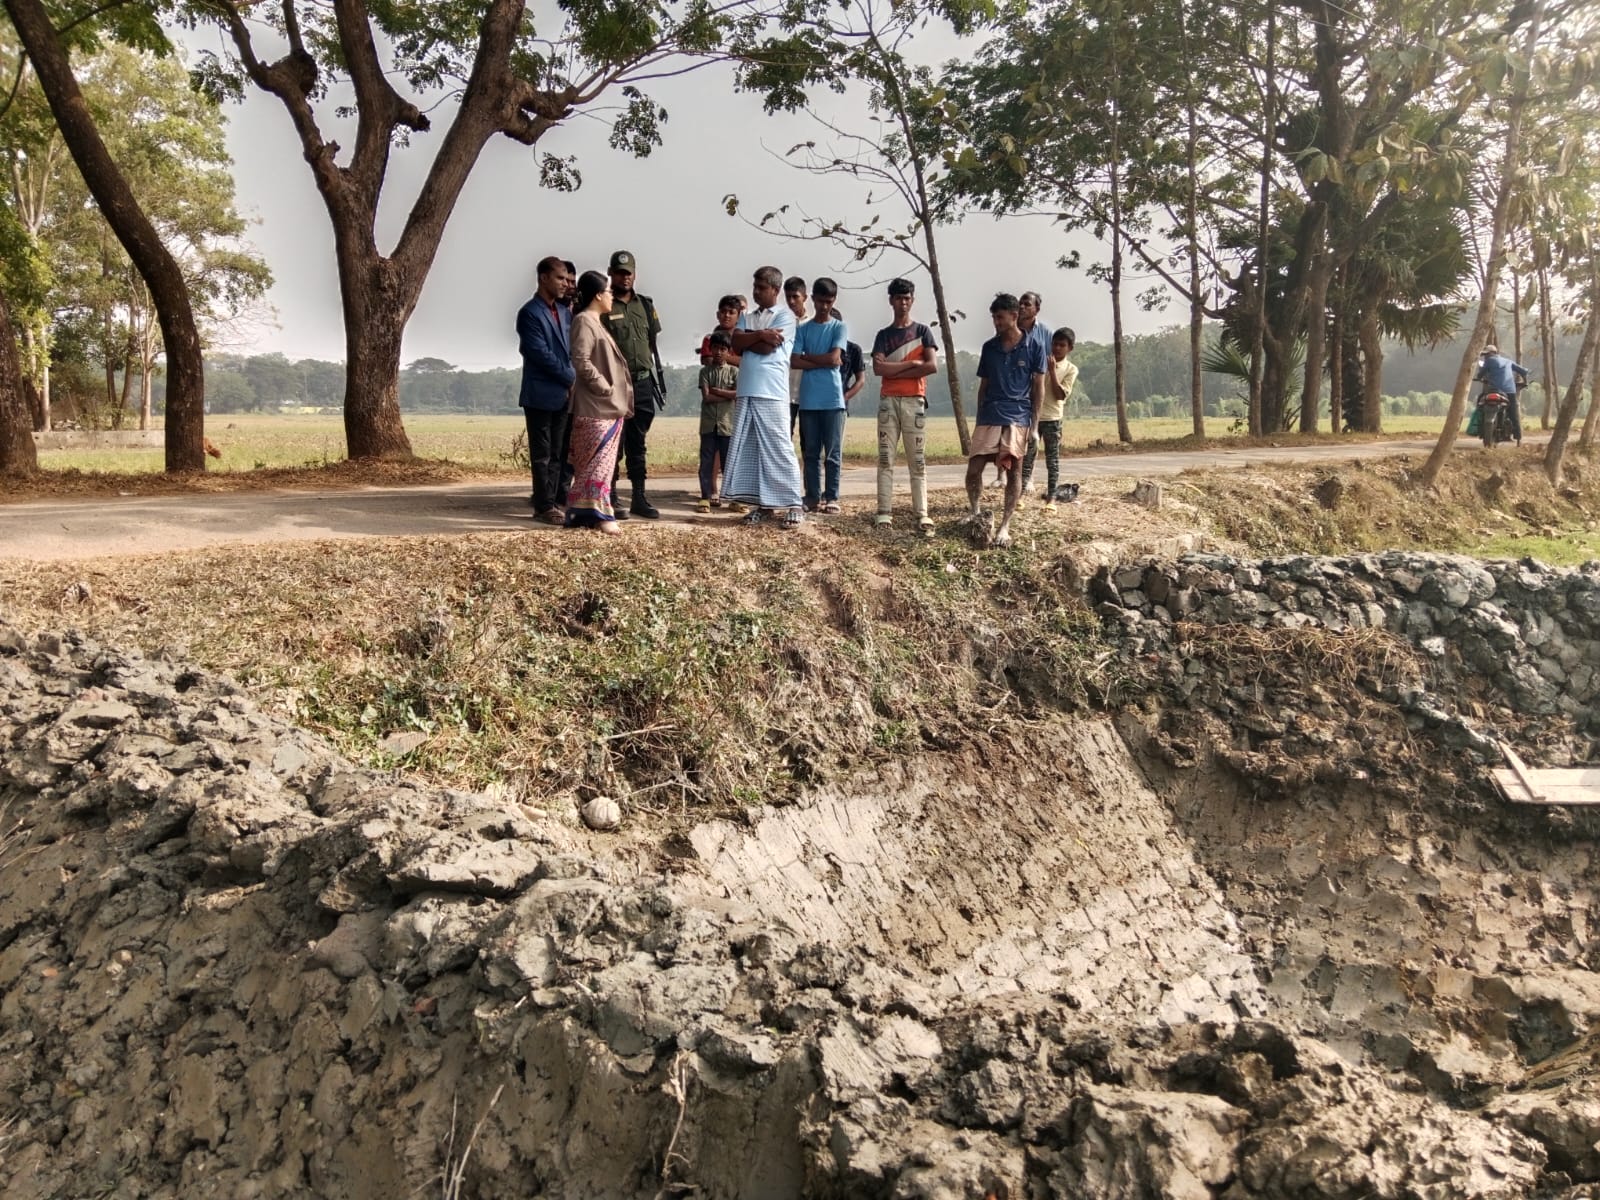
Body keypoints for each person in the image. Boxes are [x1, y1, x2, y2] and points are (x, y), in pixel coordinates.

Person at [724, 265, 805, 527]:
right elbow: (736, 341)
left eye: (761, 287)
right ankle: (765, 505)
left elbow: (770, 348)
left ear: (775, 290)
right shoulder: (749, 317)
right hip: (747, 389)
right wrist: (759, 335)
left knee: (780, 447)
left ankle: (794, 503)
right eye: (755, 287)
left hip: (771, 391)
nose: (756, 292)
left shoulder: (785, 316)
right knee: (756, 450)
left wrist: (753, 340)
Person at [965, 293, 1046, 549]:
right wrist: (979, 419)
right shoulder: (989, 347)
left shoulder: (1035, 347)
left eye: (1000, 317)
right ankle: (975, 510)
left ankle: (1005, 525)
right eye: (993, 318)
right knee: (974, 468)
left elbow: (1039, 389)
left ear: (1014, 316)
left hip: (1018, 416)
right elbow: (983, 385)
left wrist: (1033, 426)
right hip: (990, 413)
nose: (996, 322)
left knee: (1014, 472)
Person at [565, 270, 634, 535]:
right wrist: (603, 386)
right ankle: (600, 514)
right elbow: (581, 359)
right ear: (597, 295)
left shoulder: (596, 321)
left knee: (601, 465)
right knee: (596, 465)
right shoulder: (584, 321)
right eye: (609, 292)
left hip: (606, 407)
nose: (612, 297)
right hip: (596, 406)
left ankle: (588, 514)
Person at [872, 277, 940, 532]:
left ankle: (921, 513)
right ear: (891, 300)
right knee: (885, 458)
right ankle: (884, 512)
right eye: (898, 298)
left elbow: (932, 365)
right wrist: (911, 365)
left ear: (912, 300)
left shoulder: (922, 332)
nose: (903, 302)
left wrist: (895, 370)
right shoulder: (884, 335)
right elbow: (878, 368)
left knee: (917, 460)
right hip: (888, 401)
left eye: (907, 298)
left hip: (914, 401)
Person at [603, 250, 666, 519]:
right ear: (611, 273)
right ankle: (612, 497)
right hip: (616, 384)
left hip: (642, 383)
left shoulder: (646, 305)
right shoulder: (604, 305)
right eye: (619, 272)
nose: (624, 277)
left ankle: (639, 497)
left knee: (638, 444)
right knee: (614, 445)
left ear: (635, 274)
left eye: (628, 273)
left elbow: (652, 341)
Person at [515, 256, 574, 523]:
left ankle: (554, 501)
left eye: (567, 279)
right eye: (560, 278)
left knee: (558, 453)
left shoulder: (563, 312)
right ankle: (543, 506)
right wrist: (570, 376)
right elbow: (539, 353)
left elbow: (570, 349)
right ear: (543, 278)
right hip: (540, 393)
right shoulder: (529, 313)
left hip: (562, 394)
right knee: (542, 454)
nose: (565, 283)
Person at [792, 277, 848, 513]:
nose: (824, 306)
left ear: (833, 300)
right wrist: (823, 360)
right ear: (812, 298)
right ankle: (812, 496)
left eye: (829, 301)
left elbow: (835, 359)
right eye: (821, 301)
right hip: (808, 399)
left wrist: (810, 358)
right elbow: (794, 360)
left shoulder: (839, 327)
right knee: (811, 451)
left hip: (833, 399)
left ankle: (832, 496)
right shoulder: (803, 329)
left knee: (832, 453)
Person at [1023, 326, 1078, 512]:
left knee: (1052, 460)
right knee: (1028, 456)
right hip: (1034, 416)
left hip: (1053, 418)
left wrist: (1053, 372)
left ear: (1070, 348)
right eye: (1054, 344)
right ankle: (1021, 494)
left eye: (1062, 345)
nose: (1057, 348)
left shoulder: (1070, 369)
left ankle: (1052, 499)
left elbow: (1060, 395)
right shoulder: (1041, 359)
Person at [1015, 292, 1053, 496]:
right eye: (1020, 303)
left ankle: (1028, 477)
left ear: (1036, 309)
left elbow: (1048, 362)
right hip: (1013, 389)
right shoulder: (1011, 328)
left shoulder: (1045, 333)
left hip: (1035, 388)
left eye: (1027, 304)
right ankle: (1003, 476)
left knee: (1033, 433)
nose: (1022, 307)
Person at [697, 329, 738, 512]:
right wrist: (727, 394)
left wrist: (717, 391)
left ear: (729, 351)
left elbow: (737, 394)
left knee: (729, 462)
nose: (719, 352)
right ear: (710, 349)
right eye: (716, 348)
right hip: (708, 424)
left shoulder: (734, 372)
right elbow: (706, 397)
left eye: (723, 349)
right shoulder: (705, 372)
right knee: (706, 462)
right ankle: (705, 496)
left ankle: (733, 498)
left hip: (727, 424)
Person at [1474, 344, 1531, 444]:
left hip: (1494, 389)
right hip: (1509, 391)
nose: (1485, 356)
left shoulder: (1489, 361)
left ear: (1492, 353)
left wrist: (1479, 378)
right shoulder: (1508, 361)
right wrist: (1525, 381)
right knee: (1513, 413)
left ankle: (1479, 428)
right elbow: (1524, 371)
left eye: (1487, 354)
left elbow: (1481, 374)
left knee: (1480, 402)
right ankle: (1518, 436)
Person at [785, 276, 809, 434]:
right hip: (785, 392)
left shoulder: (813, 324)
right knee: (784, 437)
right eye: (788, 297)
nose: (792, 301)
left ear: (805, 297)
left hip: (807, 392)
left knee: (809, 440)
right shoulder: (783, 324)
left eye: (796, 297)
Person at [698, 295, 742, 365]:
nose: (727, 315)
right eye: (723, 311)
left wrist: (719, 356)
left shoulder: (743, 339)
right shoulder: (709, 338)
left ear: (739, 317)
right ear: (718, 315)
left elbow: (746, 362)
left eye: (731, 312)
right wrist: (733, 359)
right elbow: (708, 360)